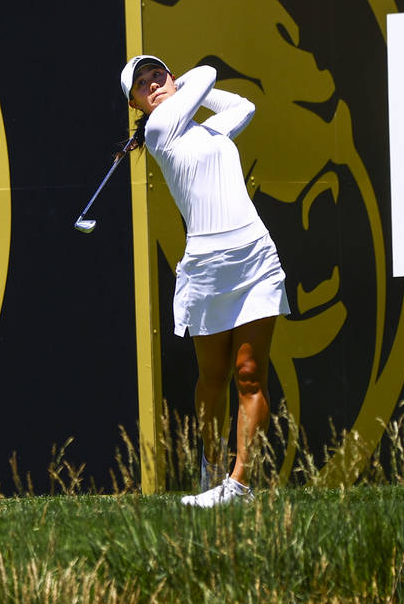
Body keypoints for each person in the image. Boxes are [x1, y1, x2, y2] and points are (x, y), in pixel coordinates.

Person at [121, 54, 289, 508]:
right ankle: (211, 468)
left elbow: (244, 107)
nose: (152, 82)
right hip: (206, 267)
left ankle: (237, 485)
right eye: (141, 84)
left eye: (158, 74)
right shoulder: (160, 132)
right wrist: (180, 90)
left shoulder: (209, 131)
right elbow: (208, 73)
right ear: (136, 106)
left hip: (254, 256)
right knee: (212, 378)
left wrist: (184, 92)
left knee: (250, 375)